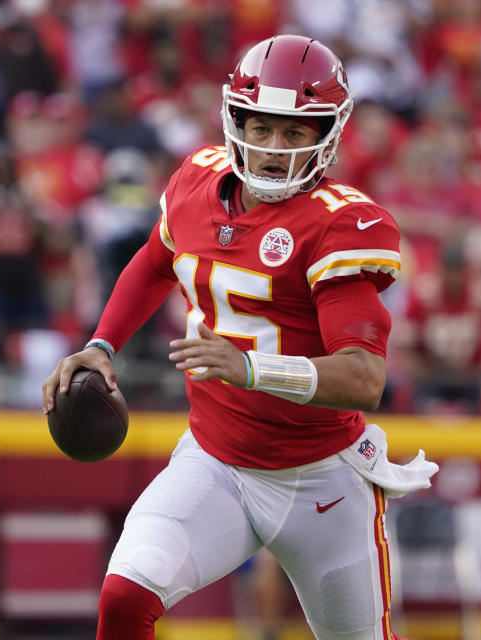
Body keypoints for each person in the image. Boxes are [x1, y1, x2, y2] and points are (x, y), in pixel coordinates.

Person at [42, 34, 437, 640]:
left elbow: (364, 379)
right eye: (263, 126)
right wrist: (102, 343)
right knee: (123, 599)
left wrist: (252, 368)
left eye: (294, 133)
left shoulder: (339, 223)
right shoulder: (197, 182)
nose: (274, 149)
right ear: (235, 119)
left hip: (321, 481)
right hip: (216, 462)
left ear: (326, 135)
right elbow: (154, 261)